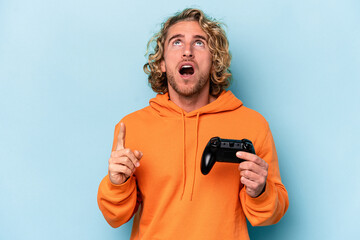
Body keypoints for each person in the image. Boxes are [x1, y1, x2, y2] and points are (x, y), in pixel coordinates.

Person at [97, 8, 289, 240]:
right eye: (176, 43)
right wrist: (117, 183)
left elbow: (270, 215)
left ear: (213, 61)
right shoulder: (131, 127)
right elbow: (115, 217)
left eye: (199, 43)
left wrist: (260, 191)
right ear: (162, 64)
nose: (187, 51)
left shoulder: (252, 124)